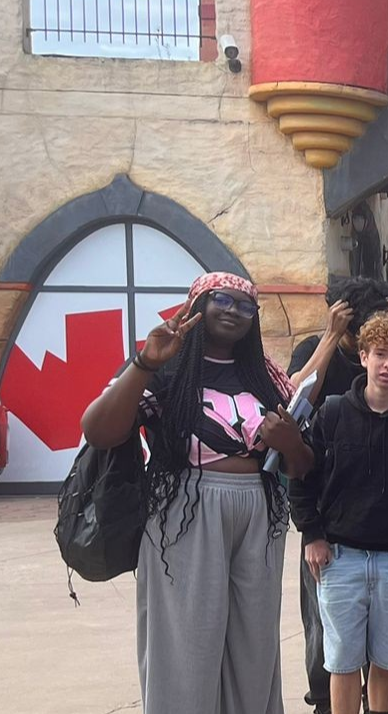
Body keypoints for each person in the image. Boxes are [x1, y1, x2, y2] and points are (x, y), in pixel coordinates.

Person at [79, 272, 309, 714]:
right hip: (184, 508)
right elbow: (98, 430)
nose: (234, 311)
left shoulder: (266, 376)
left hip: (258, 512)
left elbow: (301, 466)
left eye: (245, 306)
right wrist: (144, 363)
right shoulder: (167, 365)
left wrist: (291, 443)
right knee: (187, 642)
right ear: (196, 305)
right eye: (222, 299)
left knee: (255, 644)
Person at [284, 277, 388, 714]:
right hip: (338, 547)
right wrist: (313, 533)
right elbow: (301, 463)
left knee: (387, 657)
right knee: (337, 653)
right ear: (362, 354)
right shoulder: (332, 402)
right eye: (378, 352)